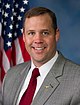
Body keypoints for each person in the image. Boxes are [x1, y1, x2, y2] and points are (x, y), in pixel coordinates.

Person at [1, 7, 80, 105]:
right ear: (24, 36)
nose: (38, 40)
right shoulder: (11, 75)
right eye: (31, 33)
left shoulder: (77, 81)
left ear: (56, 34)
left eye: (45, 33)